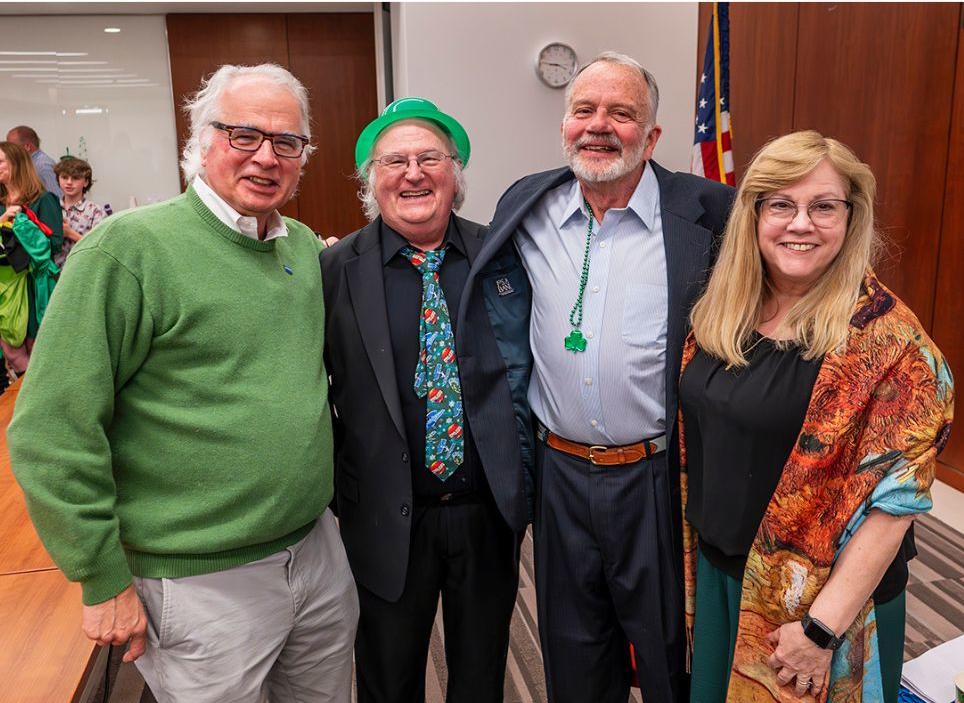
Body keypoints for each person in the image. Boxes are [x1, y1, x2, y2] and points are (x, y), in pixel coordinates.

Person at [8, 63, 358, 703]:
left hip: (315, 556)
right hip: (198, 584)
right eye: (243, 135)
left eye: (287, 142)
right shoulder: (128, 251)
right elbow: (50, 431)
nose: (266, 157)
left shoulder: (302, 249)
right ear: (200, 141)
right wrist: (101, 577)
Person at [461, 52, 734, 703]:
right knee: (575, 654)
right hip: (559, 477)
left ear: (653, 135)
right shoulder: (526, 204)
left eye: (622, 112)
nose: (599, 125)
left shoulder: (711, 214)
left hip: (659, 476)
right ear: (564, 124)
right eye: (584, 110)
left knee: (673, 654)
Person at [679, 131, 953, 702]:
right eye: (781, 203)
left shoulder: (891, 344)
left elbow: (893, 507)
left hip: (822, 612)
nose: (800, 223)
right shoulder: (723, 312)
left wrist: (819, 631)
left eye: (823, 206)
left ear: (852, 219)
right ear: (752, 215)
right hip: (725, 577)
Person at [320, 97, 530, 703]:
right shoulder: (334, 270)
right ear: (373, 182)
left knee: (480, 674)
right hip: (384, 512)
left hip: (486, 510)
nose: (412, 173)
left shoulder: (502, 256)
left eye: (429, 158)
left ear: (455, 174)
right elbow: (307, 384)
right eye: (395, 161)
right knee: (388, 677)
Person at [0, 141, 63, 375]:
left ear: (17, 163)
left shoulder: (43, 200)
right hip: (7, 286)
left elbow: (54, 242)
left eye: (0, 161)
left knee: (38, 350)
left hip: (35, 284)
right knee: (12, 354)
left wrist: (24, 228)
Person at [54, 156, 106, 267]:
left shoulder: (95, 211)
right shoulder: (52, 207)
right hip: (54, 275)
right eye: (64, 177)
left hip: (82, 272)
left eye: (75, 178)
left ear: (86, 182)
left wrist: (70, 233)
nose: (69, 182)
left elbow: (101, 249)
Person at [7, 125, 62, 198]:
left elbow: (57, 197)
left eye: (13, 147)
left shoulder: (43, 166)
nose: (9, 151)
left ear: (27, 147)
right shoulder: (30, 164)